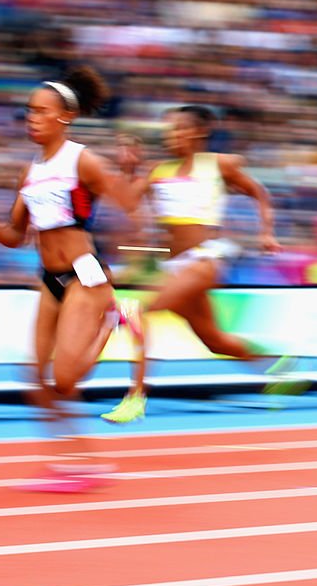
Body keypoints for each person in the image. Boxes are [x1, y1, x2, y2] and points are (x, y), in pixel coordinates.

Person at [0, 67, 142, 492]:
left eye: (40, 111)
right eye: (28, 111)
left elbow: (126, 203)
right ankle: (74, 461)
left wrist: (127, 174)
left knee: (65, 378)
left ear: (64, 117)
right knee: (35, 379)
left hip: (84, 276)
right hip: (48, 277)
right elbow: (18, 235)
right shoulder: (29, 171)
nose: (32, 118)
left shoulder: (81, 159)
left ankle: (112, 321)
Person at [100, 105, 279, 424]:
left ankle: (136, 398)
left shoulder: (218, 164)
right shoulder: (158, 170)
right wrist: (128, 171)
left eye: (179, 129)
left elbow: (258, 193)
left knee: (139, 312)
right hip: (173, 265)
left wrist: (266, 232)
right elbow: (126, 202)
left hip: (206, 258)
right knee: (213, 340)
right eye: (169, 130)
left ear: (198, 133)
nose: (172, 135)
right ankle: (279, 367)